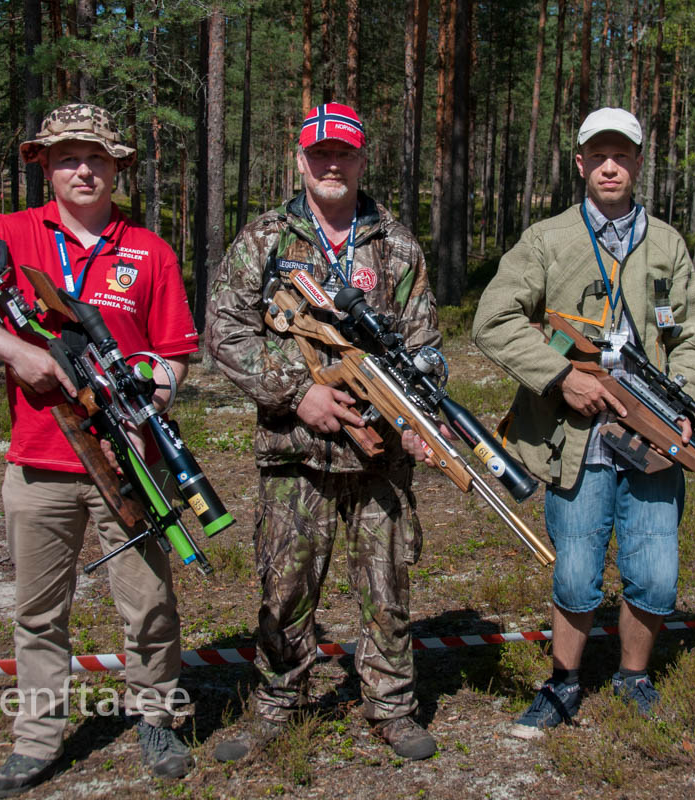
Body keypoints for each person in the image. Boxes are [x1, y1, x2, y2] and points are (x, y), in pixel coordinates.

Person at [0, 104, 199, 795]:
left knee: (150, 604)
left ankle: (155, 717)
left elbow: (174, 354)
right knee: (39, 613)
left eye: (97, 158)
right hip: (38, 462)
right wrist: (17, 352)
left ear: (117, 167)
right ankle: (37, 739)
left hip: (129, 463)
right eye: (68, 157)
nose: (83, 170)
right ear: (44, 165)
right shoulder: (9, 235)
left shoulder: (149, 250)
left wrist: (150, 405)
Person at [205, 103, 440, 762]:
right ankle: (279, 703)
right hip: (294, 453)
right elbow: (223, 331)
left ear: (362, 159)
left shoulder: (397, 245)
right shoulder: (265, 240)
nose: (331, 164)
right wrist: (298, 391)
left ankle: (391, 706)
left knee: (388, 589)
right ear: (300, 159)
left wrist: (421, 415)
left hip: (380, 457)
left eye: (344, 153)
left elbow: (425, 343)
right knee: (284, 589)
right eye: (320, 154)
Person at [472, 107, 695, 737]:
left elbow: (692, 333)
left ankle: (634, 677)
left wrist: (683, 402)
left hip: (655, 435)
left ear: (638, 162)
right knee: (576, 571)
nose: (611, 166)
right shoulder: (546, 240)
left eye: (622, 155)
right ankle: (562, 683)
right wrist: (562, 378)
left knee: (656, 574)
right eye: (599, 155)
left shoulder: (667, 244)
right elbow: (492, 320)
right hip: (575, 440)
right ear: (581, 163)